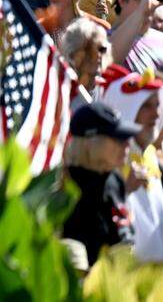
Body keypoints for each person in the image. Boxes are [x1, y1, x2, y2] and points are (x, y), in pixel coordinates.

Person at [99, 64, 163, 262]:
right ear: (125, 109)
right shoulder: (107, 158)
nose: (156, 114)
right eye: (147, 106)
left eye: (157, 105)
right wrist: (125, 191)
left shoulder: (149, 154)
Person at [61, 101, 138, 265]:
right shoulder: (65, 186)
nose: (127, 145)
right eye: (118, 138)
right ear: (89, 142)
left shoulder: (115, 180)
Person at [61, 18, 110, 110]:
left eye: (102, 49)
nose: (99, 55)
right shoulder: (58, 90)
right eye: (89, 49)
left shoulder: (107, 92)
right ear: (73, 54)